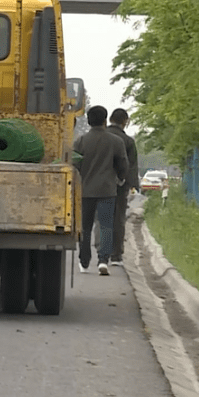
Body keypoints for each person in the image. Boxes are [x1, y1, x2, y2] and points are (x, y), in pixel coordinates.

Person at [73, 105, 128, 275]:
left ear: (89, 121)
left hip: (85, 190)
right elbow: (123, 164)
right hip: (107, 190)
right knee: (105, 225)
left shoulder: (81, 141)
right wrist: (120, 178)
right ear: (105, 121)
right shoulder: (115, 141)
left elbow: (74, 165)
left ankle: (84, 261)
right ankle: (103, 260)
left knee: (85, 227)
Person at [107, 108, 140, 266]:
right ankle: (116, 254)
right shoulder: (128, 141)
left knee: (101, 217)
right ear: (124, 121)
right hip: (120, 185)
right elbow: (132, 166)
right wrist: (132, 184)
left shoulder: (100, 136)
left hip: (100, 183)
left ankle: (102, 252)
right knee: (118, 218)